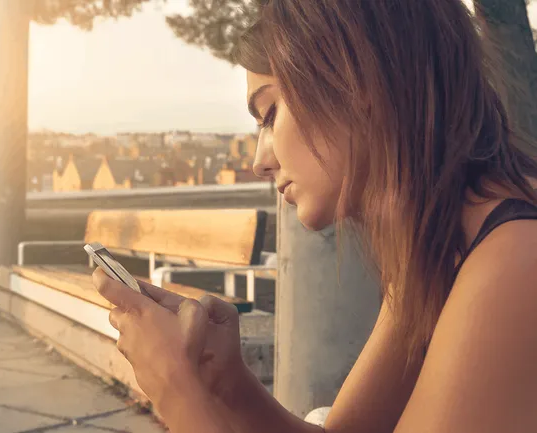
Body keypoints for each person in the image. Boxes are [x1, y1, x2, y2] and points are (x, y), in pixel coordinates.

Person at [93, 1, 537, 432]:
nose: (259, 162)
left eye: (269, 114)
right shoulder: (438, 247)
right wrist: (227, 385)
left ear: (356, 81)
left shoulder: (516, 263)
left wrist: (178, 392)